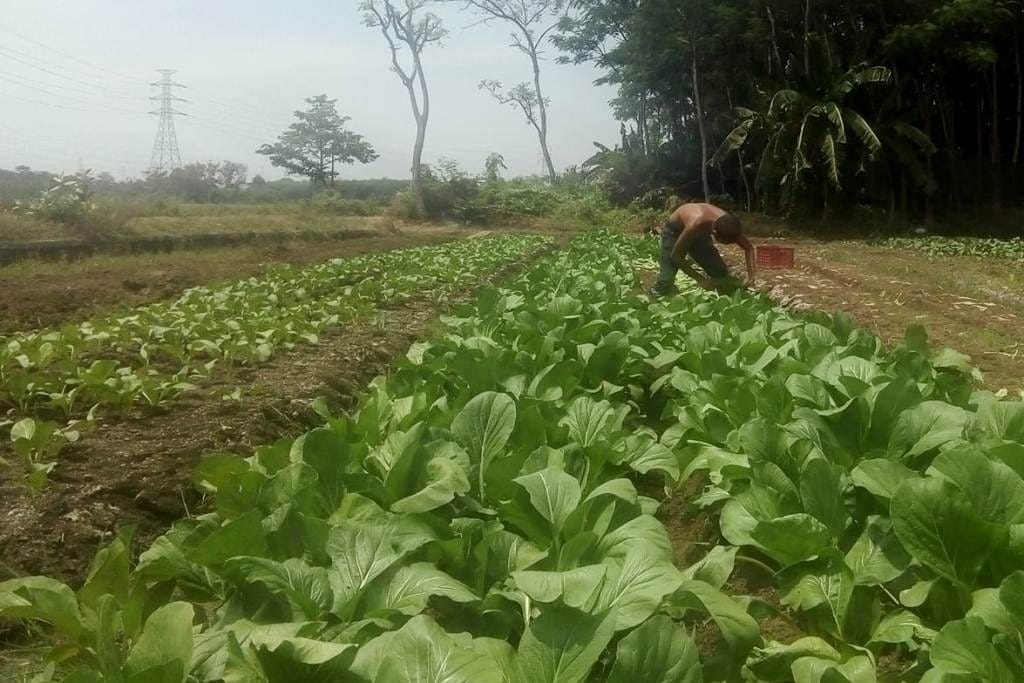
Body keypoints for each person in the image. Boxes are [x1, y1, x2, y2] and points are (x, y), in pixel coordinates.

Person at [652, 202, 756, 296]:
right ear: (715, 234)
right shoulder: (696, 224)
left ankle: (726, 296)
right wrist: (700, 280)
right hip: (674, 231)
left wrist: (751, 276)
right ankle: (654, 295)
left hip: (699, 233)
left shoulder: (730, 226)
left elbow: (749, 248)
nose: (729, 244)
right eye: (726, 242)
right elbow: (676, 256)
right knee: (666, 278)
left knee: (719, 271)